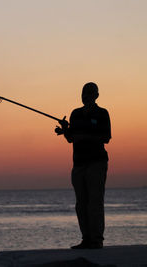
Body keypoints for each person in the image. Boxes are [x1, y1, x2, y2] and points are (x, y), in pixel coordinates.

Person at [56, 82, 111, 249]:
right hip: (78, 164)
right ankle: (86, 239)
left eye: (89, 92)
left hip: (97, 163)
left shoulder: (102, 113)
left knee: (95, 202)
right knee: (81, 204)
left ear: (96, 95)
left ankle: (97, 240)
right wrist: (65, 130)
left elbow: (106, 137)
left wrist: (84, 136)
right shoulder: (75, 114)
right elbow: (71, 138)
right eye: (83, 92)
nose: (85, 95)